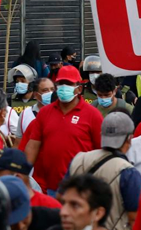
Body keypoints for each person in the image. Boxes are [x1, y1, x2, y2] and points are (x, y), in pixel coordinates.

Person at [21, 65, 103, 195]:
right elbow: (33, 145)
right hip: (50, 187)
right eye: (60, 83)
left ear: (79, 88)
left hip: (81, 189)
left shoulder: (93, 115)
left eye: (68, 84)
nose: (64, 87)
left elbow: (101, 151)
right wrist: (23, 173)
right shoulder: (45, 113)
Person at [66, 111, 141, 230]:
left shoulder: (79, 159)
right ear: (129, 138)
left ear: (102, 135)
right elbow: (134, 217)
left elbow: (61, 196)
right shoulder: (128, 172)